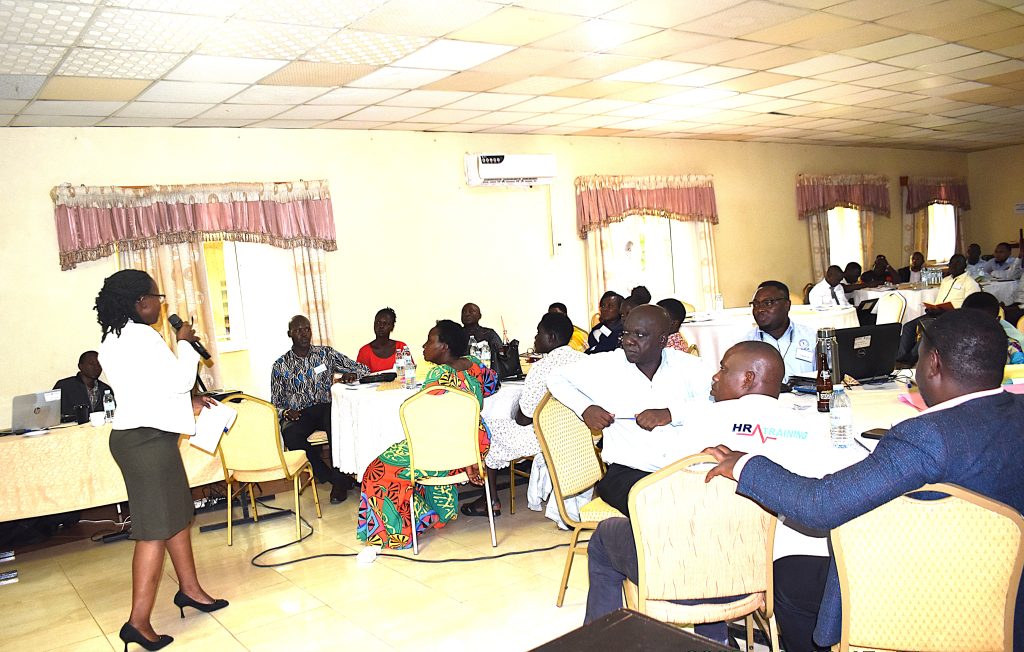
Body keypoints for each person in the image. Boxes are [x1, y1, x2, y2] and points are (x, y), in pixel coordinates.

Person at [703, 310, 1024, 651]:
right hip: (1007, 593)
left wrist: (746, 464)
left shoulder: (926, 436)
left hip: (928, 591)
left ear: (932, 364)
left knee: (789, 576)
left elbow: (820, 506)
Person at [585, 341, 864, 648]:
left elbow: (665, 493)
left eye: (723, 369)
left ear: (747, 379)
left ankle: (598, 644)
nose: (714, 378)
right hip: (763, 577)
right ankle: (717, 640)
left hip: (687, 573)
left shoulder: (700, 423)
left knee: (604, 538)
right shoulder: (811, 429)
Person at [95, 270, 226, 652]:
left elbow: (147, 392)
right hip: (145, 444)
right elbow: (178, 381)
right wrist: (184, 343)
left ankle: (190, 591)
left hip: (145, 438)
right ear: (140, 301)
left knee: (176, 518)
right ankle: (137, 622)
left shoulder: (114, 337)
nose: (161, 304)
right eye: (158, 297)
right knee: (154, 530)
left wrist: (191, 405)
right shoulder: (142, 337)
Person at [547, 305, 710, 515]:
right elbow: (556, 378)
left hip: (682, 467)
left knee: (714, 499)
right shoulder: (608, 365)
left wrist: (670, 413)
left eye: (639, 335)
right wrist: (585, 408)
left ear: (662, 340)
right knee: (662, 507)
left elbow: (715, 402)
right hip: (627, 472)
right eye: (626, 333)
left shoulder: (688, 367)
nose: (628, 340)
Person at [357, 319, 498, 549]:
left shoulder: (436, 377)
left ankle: (403, 529)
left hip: (441, 451)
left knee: (376, 470)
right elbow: (493, 384)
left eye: (430, 340)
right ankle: (428, 513)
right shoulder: (473, 364)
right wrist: (472, 456)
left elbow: (426, 424)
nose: (423, 345)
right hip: (472, 448)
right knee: (403, 457)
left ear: (445, 347)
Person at [462, 312, 586, 516]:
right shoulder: (584, 360)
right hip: (578, 431)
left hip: (544, 436)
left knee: (486, 427)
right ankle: (489, 498)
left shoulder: (542, 368)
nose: (535, 338)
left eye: (539, 333)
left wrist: (517, 407)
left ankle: (491, 499)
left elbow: (523, 419)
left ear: (552, 337)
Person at [271, 315, 368, 504]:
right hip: (299, 412)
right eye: (298, 330)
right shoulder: (280, 366)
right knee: (290, 433)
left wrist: (351, 374)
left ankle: (339, 484)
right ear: (289, 334)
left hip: (325, 406)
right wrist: (285, 412)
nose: (304, 333)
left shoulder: (326, 354)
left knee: (336, 423)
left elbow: (362, 368)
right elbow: (275, 403)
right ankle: (328, 475)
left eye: (306, 329)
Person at [896, 254, 980, 364]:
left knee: (929, 328)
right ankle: (900, 356)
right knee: (908, 326)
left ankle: (913, 357)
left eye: (957, 263)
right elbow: (939, 299)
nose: (953, 266)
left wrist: (949, 311)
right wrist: (932, 308)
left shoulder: (970, 283)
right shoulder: (945, 280)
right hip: (938, 312)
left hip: (954, 315)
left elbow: (969, 307)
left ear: (964, 265)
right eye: (952, 263)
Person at [744, 281, 815, 383]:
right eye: (755, 304)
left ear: (787, 305)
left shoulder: (812, 337)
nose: (759, 309)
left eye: (768, 303)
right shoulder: (745, 345)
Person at [962, 292, 1024, 364]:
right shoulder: (956, 341)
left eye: (984, 323)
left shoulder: (1010, 345)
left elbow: (1019, 369)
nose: (978, 328)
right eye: (973, 322)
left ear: (997, 321)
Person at [53, 350, 113, 422]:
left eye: (99, 364)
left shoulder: (105, 389)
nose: (96, 367)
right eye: (91, 364)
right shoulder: (64, 386)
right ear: (80, 366)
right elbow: (51, 415)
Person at [356, 307, 411, 372]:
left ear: (392, 327)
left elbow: (410, 371)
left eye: (385, 323)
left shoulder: (401, 347)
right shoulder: (364, 351)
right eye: (378, 322)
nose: (381, 326)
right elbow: (359, 375)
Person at [461, 302, 502, 368]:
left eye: (471, 311)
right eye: (464, 312)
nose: (467, 314)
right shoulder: (455, 334)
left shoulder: (489, 333)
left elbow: (500, 354)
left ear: (479, 316)